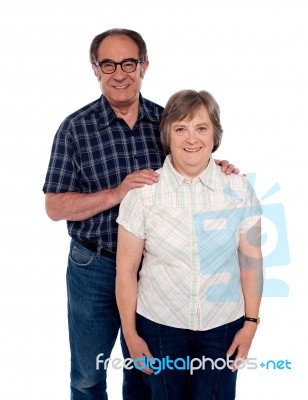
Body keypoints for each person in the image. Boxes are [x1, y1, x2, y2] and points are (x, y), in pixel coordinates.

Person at [43, 28, 238, 400]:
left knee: (143, 371)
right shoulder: (75, 129)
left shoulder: (166, 121)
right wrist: (117, 193)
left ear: (144, 66)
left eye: (128, 62)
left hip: (154, 270)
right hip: (95, 266)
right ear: (95, 69)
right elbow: (54, 206)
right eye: (108, 64)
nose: (119, 73)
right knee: (89, 373)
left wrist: (222, 168)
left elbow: (195, 154)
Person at [116, 89, 263, 400]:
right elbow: (126, 271)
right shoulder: (143, 194)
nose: (191, 138)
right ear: (167, 134)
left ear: (215, 134)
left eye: (201, 127)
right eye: (180, 128)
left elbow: (251, 262)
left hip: (222, 326)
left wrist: (250, 324)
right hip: (158, 325)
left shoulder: (238, 188)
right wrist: (131, 336)